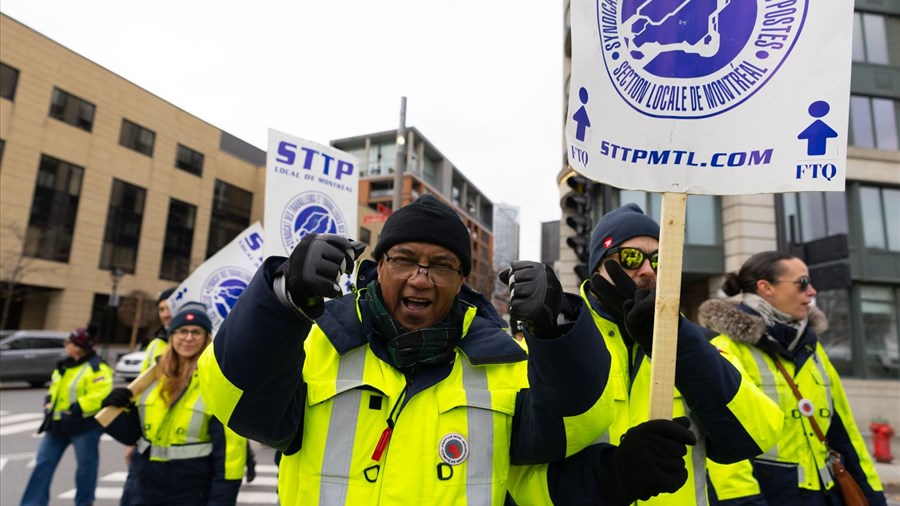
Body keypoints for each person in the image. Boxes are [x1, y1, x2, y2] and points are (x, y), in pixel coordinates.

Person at [198, 194, 696, 505]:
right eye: (405, 259)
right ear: (378, 267)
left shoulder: (502, 365)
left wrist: (560, 330)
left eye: (441, 265)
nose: (420, 277)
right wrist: (281, 300)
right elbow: (235, 402)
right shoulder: (319, 341)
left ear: (462, 282)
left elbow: (565, 440)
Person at [583, 203, 785, 505]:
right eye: (630, 258)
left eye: (658, 259)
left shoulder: (700, 342)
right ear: (598, 266)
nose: (647, 270)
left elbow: (757, 435)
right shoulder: (564, 342)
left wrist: (677, 341)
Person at [698, 251, 887, 505]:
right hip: (771, 496)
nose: (812, 292)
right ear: (765, 288)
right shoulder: (725, 347)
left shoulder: (811, 347)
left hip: (827, 493)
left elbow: (845, 431)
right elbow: (724, 440)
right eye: (803, 283)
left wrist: (873, 496)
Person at [101, 304, 247, 505]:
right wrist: (114, 409)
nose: (188, 338)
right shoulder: (154, 377)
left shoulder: (217, 381)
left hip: (191, 488)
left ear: (207, 338)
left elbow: (229, 454)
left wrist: (221, 500)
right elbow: (133, 434)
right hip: (144, 483)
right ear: (171, 336)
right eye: (182, 331)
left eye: (196, 332)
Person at [21, 325, 113, 506]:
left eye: (68, 342)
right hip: (56, 425)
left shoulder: (97, 368)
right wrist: (48, 400)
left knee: (85, 470)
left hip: (83, 427)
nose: (65, 344)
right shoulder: (64, 364)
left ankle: (84, 503)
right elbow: (56, 386)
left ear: (78, 347)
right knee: (42, 464)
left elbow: (101, 394)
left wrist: (76, 408)